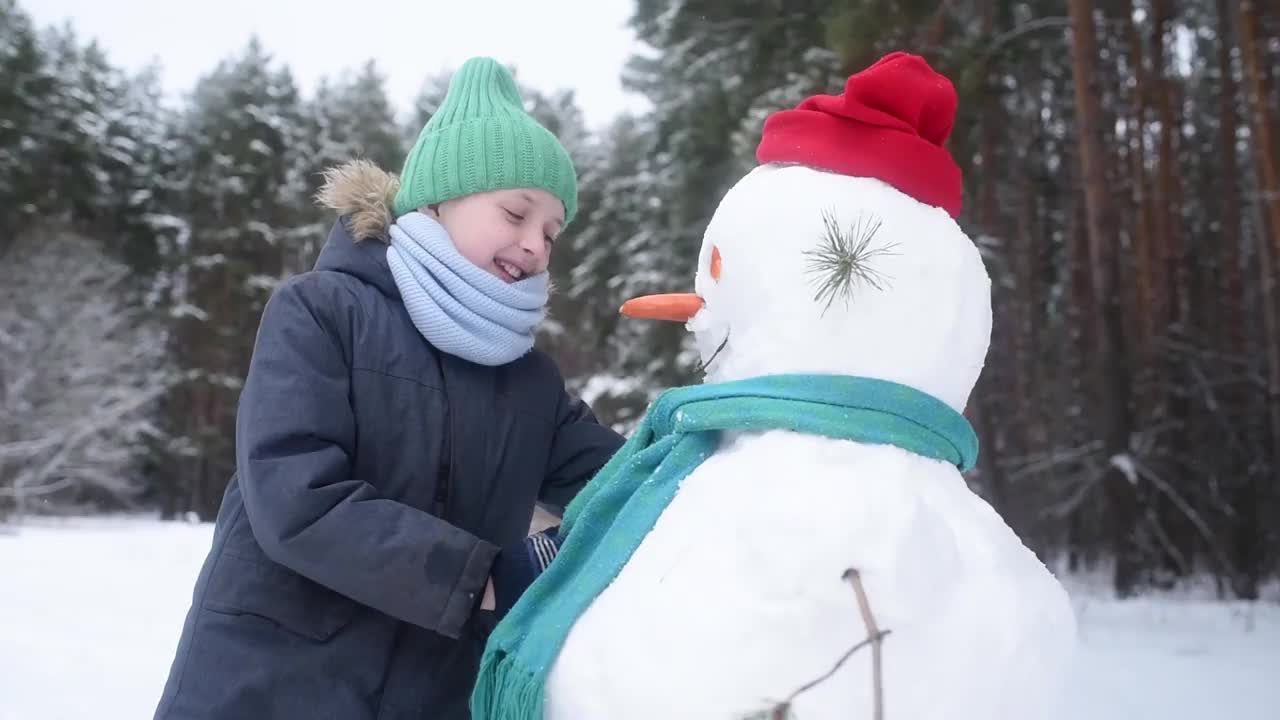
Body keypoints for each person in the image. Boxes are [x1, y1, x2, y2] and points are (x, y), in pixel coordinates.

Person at [152, 56, 625, 720]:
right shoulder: (322, 312)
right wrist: (482, 579)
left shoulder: (532, 383)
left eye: (551, 231)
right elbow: (296, 497)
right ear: (438, 199)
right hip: (268, 687)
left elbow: (627, 483)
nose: (536, 245)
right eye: (516, 213)